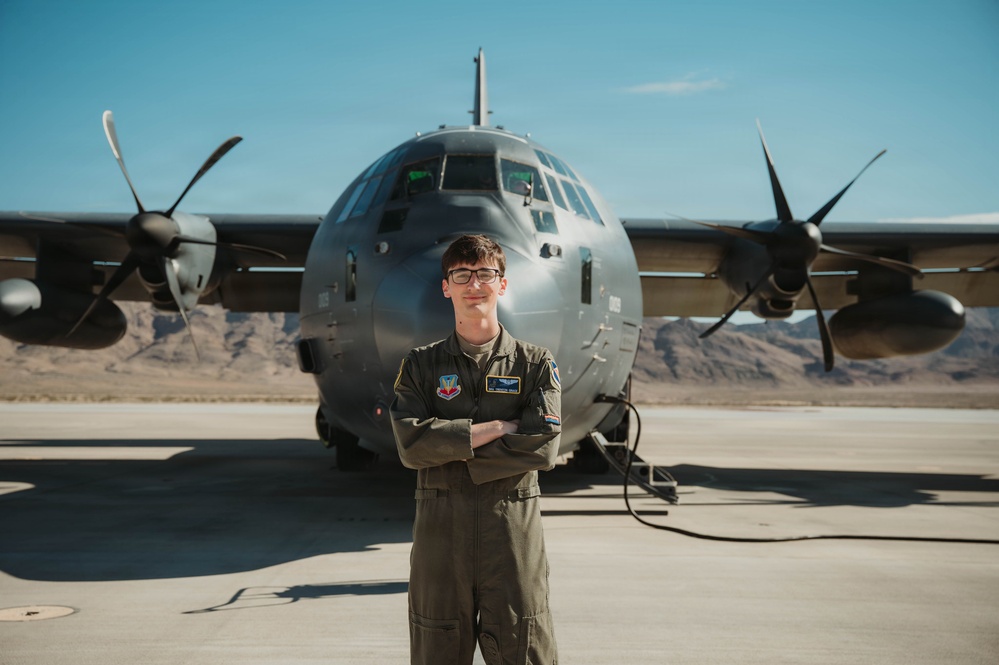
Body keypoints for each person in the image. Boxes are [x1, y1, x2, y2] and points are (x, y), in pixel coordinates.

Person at [391, 234, 561, 665]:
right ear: (446, 286)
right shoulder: (420, 365)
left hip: (511, 536)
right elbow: (411, 446)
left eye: (486, 273)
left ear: (502, 285)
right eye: (462, 275)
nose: (475, 284)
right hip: (440, 535)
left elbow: (542, 447)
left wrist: (448, 443)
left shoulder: (535, 364)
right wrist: (499, 427)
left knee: (525, 646)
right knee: (436, 648)